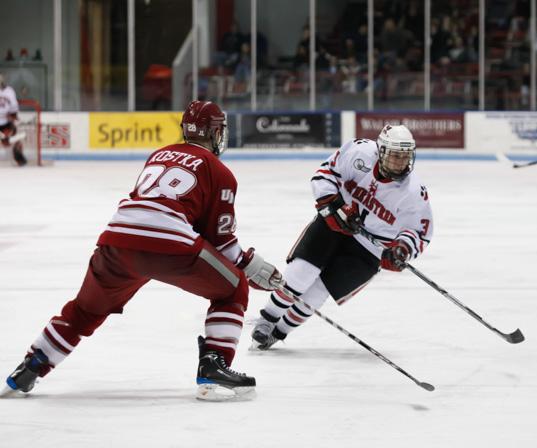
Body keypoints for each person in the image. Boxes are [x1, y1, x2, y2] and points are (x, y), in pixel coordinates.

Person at [3, 101, 282, 401]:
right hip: (168, 243)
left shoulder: (158, 154)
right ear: (216, 133)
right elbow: (220, 240)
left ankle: (32, 365)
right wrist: (248, 265)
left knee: (86, 310)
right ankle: (214, 364)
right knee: (233, 288)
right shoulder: (220, 172)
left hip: (117, 239)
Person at [251, 125, 433, 350]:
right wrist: (331, 204)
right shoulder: (359, 152)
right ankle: (267, 319)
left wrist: (402, 249)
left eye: (405, 156)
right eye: (395, 155)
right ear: (381, 151)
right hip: (336, 222)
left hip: (370, 248)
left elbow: (419, 232)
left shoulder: (414, 192)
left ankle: (280, 332)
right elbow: (325, 174)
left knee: (319, 290)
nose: (401, 162)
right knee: (301, 272)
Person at [0, 73, 27, 166]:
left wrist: (13, 118)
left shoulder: (9, 91)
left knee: (10, 142)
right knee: (6, 141)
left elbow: (13, 110)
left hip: (6, 123)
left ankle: (19, 159)